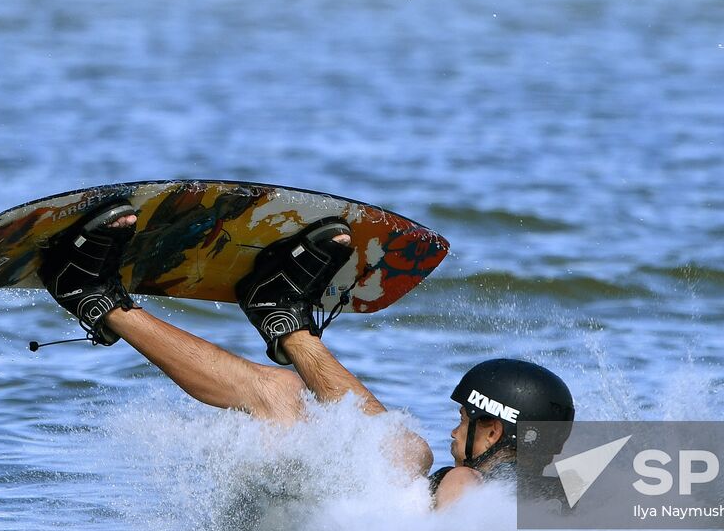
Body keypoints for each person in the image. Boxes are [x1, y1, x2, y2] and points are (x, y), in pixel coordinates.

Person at [35, 202, 575, 509]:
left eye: (464, 419)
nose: (454, 430)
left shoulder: (468, 483)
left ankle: (93, 297)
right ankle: (281, 318)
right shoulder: (539, 495)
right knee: (406, 449)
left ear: (494, 431)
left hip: (300, 527)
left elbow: (456, 504)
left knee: (289, 397)